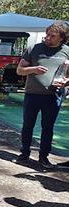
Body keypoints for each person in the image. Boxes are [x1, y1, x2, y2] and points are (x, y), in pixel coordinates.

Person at [15, 21, 69, 169]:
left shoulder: (67, 51)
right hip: (32, 94)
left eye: (53, 36)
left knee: (48, 127)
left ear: (62, 38)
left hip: (53, 96)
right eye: (47, 34)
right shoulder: (34, 48)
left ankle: (43, 157)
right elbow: (19, 70)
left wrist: (66, 82)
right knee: (28, 125)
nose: (48, 38)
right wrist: (33, 69)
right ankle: (24, 154)